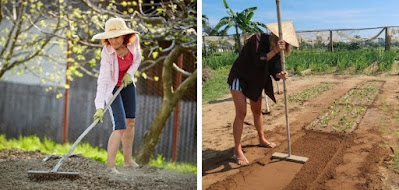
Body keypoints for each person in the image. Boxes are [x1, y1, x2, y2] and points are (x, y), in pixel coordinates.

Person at [227, 21, 299, 165]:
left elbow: (275, 70)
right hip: (240, 77)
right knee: (241, 113)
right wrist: (275, 51)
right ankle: (237, 150)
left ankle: (261, 138)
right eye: (282, 40)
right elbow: (258, 60)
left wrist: (281, 74)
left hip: (257, 81)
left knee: (257, 111)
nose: (284, 43)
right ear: (275, 35)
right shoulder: (257, 39)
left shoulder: (278, 51)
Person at [92, 17, 142, 173]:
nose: (113, 41)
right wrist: (99, 107)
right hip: (112, 88)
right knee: (120, 126)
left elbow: (137, 58)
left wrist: (130, 74)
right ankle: (111, 166)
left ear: (124, 37)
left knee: (131, 121)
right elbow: (103, 80)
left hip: (127, 84)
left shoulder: (133, 43)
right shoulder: (107, 53)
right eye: (110, 37)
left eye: (117, 37)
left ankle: (127, 161)